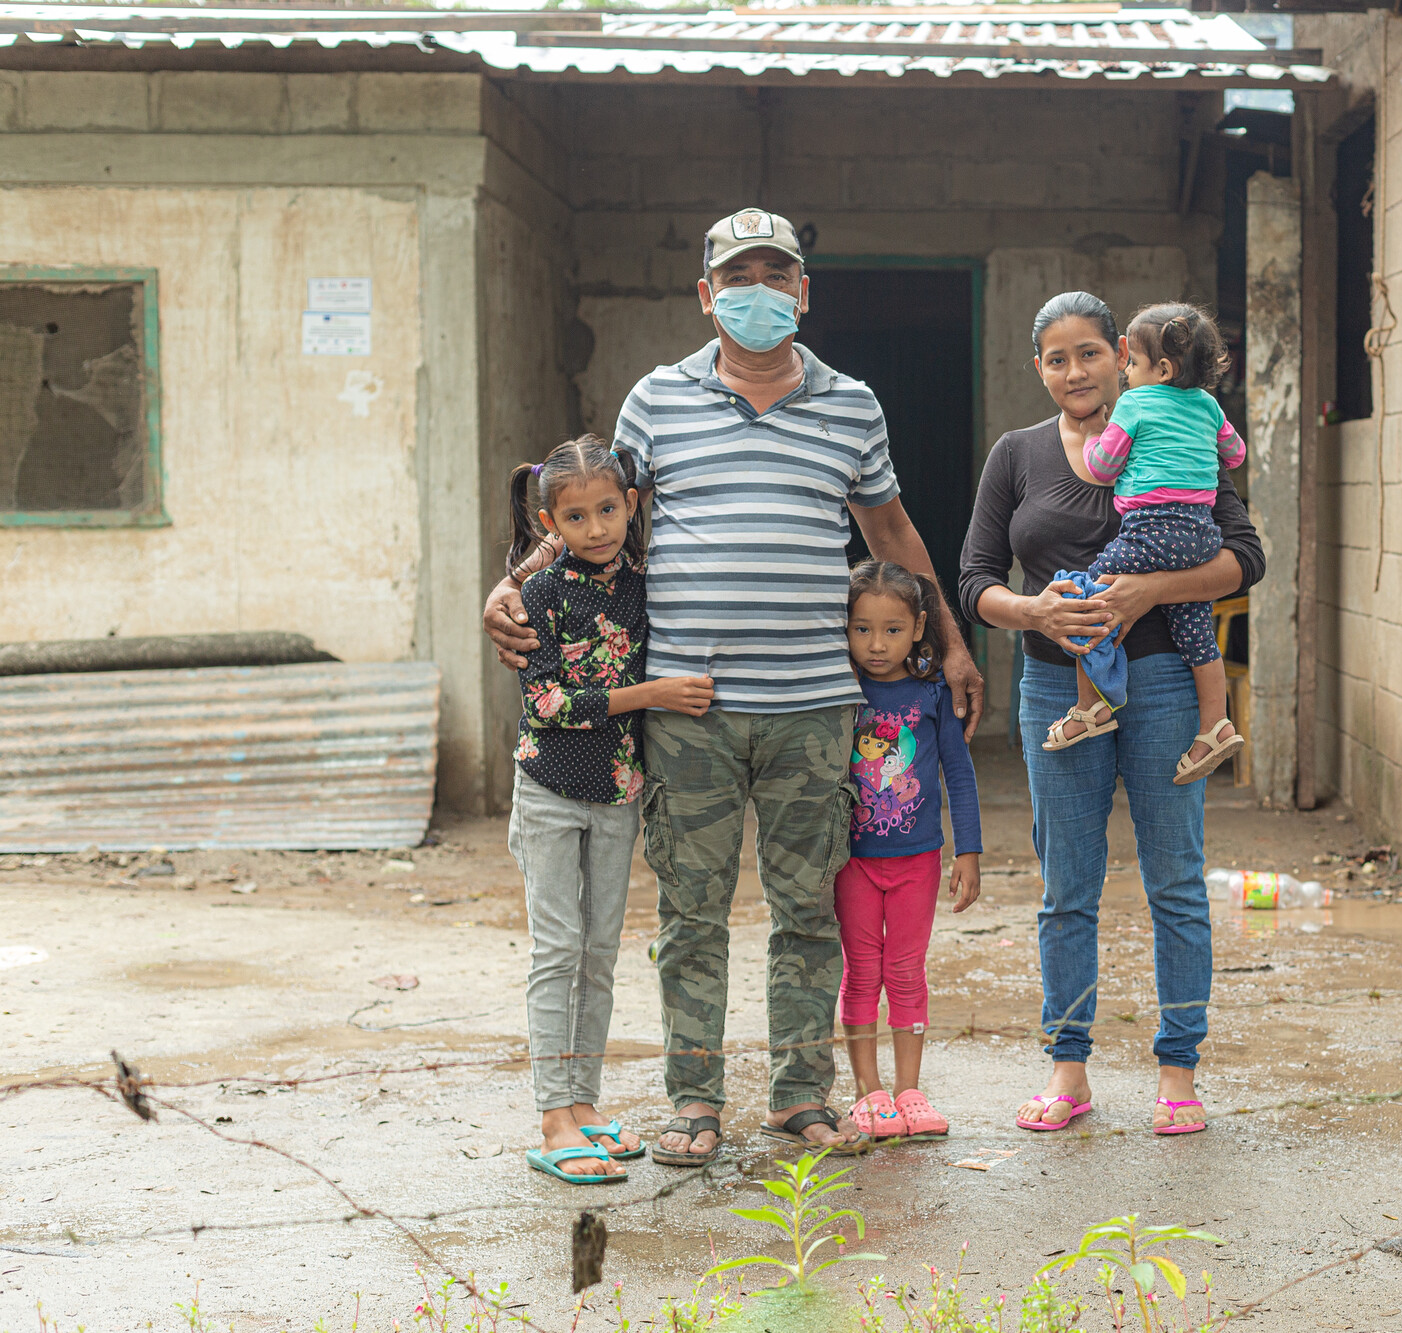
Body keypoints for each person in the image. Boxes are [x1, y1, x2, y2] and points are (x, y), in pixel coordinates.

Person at [483, 208, 985, 1165]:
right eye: (739, 276)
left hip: (812, 710)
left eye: (777, 274)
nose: (760, 291)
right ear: (708, 296)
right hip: (689, 712)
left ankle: (800, 1097)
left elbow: (892, 534)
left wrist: (950, 641)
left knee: (807, 914)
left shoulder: (853, 403)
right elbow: (597, 519)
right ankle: (695, 1101)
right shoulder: (654, 401)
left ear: (804, 291)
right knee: (691, 917)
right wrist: (513, 581)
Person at [959, 291, 1264, 1136]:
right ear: (1040, 370)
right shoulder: (1016, 455)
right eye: (1057, 359)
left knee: (1174, 878)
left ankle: (1179, 1070)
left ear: (1122, 354)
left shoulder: (1172, 424)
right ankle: (1069, 1068)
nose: (1076, 372)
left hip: (1164, 679)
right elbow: (974, 577)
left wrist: (1148, 591)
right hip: (1056, 687)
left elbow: (1245, 557)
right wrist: (1033, 613)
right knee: (1068, 885)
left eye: (1091, 353)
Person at [503, 436, 714, 1184]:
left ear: (631, 504)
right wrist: (652, 695)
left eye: (607, 509)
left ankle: (584, 1102)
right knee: (556, 949)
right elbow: (550, 702)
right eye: (575, 516)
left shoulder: (643, 584)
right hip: (551, 788)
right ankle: (552, 1112)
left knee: (597, 952)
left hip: (618, 790)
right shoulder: (540, 595)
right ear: (547, 522)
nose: (596, 528)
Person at [1043, 303, 1246, 786]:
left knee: (1088, 598)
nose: (1125, 371)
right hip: (1199, 534)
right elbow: (1234, 454)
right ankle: (1215, 726)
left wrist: (1095, 435)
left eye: (1131, 363)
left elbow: (1103, 468)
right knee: (1196, 631)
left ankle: (1090, 708)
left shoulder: (1134, 404)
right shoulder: (1209, 404)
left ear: (1163, 369)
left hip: (1151, 530)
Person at [837, 561, 982, 1140]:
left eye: (893, 630)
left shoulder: (932, 695)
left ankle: (909, 1091)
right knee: (861, 973)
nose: (877, 645)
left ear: (920, 626)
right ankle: (868, 1092)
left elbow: (960, 774)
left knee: (906, 971)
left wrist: (967, 851)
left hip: (918, 859)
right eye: (862, 629)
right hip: (853, 861)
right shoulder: (839, 691)